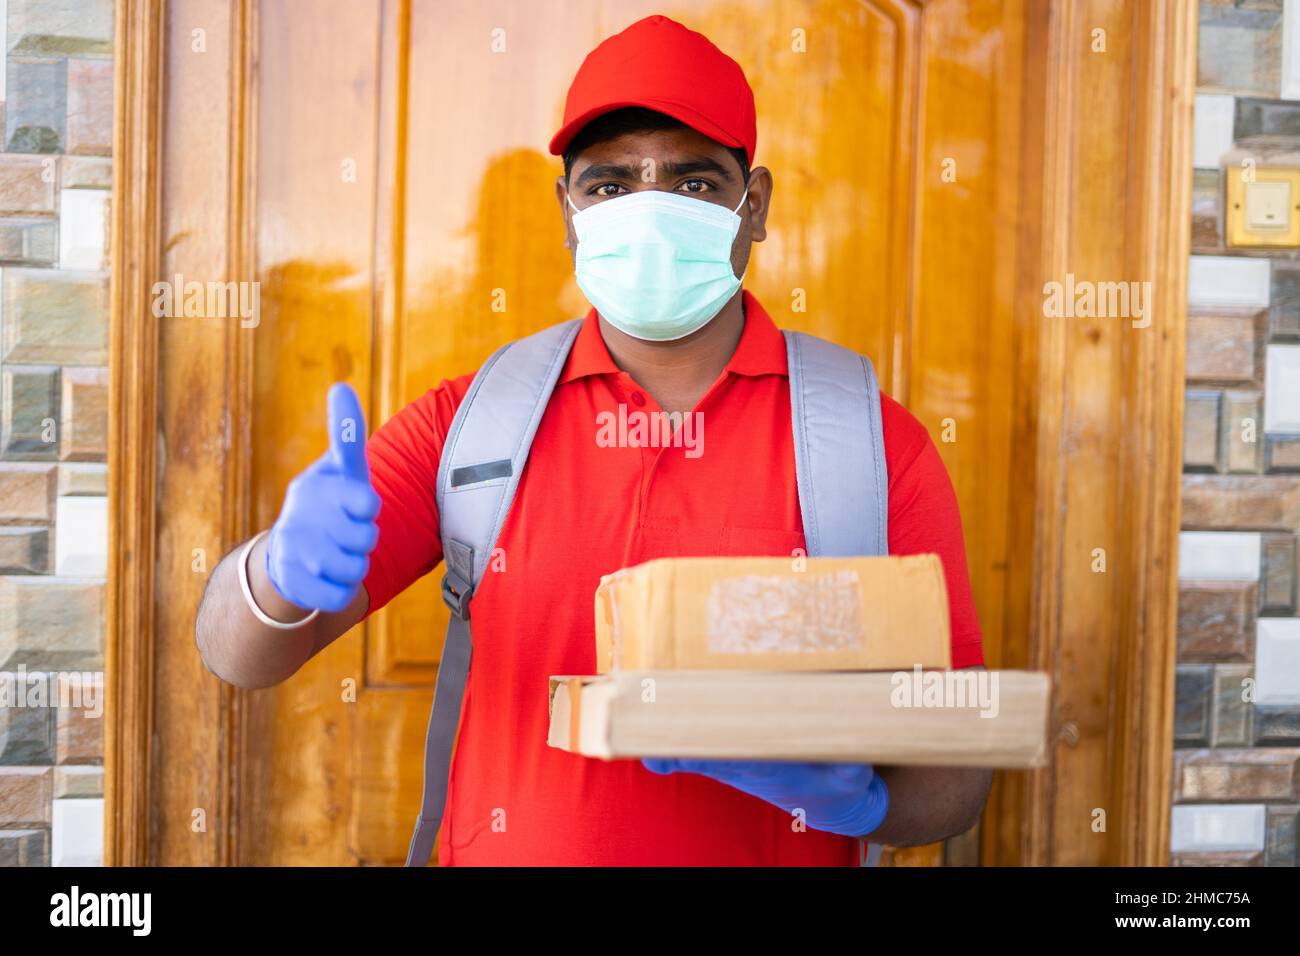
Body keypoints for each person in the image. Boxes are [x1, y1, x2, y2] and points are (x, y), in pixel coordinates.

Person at [195, 14, 991, 866]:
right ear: (568, 211)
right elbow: (237, 655)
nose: (649, 209)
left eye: (692, 183)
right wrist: (275, 575)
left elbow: (957, 777)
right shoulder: (470, 425)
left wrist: (867, 799)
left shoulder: (872, 449)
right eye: (611, 184)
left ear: (752, 206)